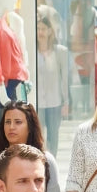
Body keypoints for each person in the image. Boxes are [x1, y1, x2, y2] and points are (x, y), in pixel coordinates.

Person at [34, 14, 69, 154]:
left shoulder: (60, 52)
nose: (40, 32)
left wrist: (66, 102)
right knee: (38, 137)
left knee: (54, 137)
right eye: (38, 29)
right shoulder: (33, 52)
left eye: (43, 29)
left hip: (55, 101)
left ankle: (52, 166)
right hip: (39, 103)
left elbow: (64, 78)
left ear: (49, 31)